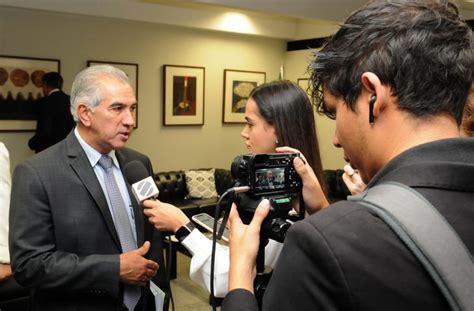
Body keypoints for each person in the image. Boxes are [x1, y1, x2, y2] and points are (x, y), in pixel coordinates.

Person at [223, 1, 473, 310]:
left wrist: (239, 278)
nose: (337, 139)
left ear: (372, 95)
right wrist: (326, 211)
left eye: (335, 111)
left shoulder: (323, 243)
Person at [142, 80, 329, 297]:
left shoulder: (287, 209)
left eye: (250, 124)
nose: (244, 132)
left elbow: (227, 279)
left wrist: (182, 226)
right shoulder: (294, 195)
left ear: (278, 129)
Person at [10, 65, 169, 311]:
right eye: (117, 108)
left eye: (133, 108)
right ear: (85, 113)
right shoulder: (36, 173)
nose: (130, 121)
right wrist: (114, 268)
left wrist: (160, 298)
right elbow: (29, 265)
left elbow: (153, 239)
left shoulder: (139, 164)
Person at [28, 72, 75, 153]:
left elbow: (45, 130)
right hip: (69, 149)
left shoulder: (45, 102)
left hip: (48, 150)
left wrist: (32, 143)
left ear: (45, 84)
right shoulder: (71, 100)